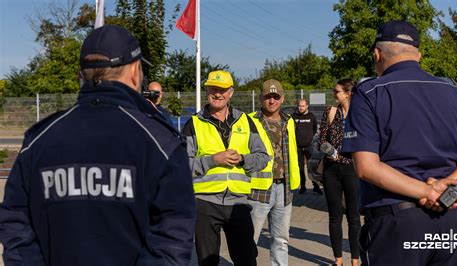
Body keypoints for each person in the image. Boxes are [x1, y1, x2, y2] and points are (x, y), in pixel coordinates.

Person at [0, 25, 196, 265]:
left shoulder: (40, 139)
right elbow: (173, 238)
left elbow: (16, 222)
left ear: (80, 75)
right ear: (135, 71)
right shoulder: (160, 142)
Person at [342, 20, 457, 265]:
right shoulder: (456, 94)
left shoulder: (370, 93)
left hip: (396, 222)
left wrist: (427, 191)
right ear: (418, 54)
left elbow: (366, 167)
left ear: (377, 53)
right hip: (448, 221)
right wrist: (447, 189)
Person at [182, 70, 270, 266]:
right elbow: (181, 165)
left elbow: (263, 158)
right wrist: (212, 160)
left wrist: (242, 160)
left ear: (231, 92)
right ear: (207, 91)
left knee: (247, 260)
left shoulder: (247, 122)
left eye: (222, 90)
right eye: (213, 88)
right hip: (204, 203)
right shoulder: (193, 124)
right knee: (207, 262)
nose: (217, 93)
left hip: (238, 204)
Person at [248, 79, 300, 265]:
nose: (272, 101)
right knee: (249, 240)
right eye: (268, 97)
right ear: (261, 97)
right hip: (258, 189)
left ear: (282, 99)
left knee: (281, 240)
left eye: (275, 97)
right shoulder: (250, 121)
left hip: (284, 189)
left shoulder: (289, 121)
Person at [319, 79, 360, 266]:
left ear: (348, 93)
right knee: (335, 216)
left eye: (336, 91)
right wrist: (328, 149)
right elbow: (321, 139)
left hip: (352, 168)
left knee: (353, 215)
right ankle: (338, 260)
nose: (334, 94)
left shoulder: (360, 114)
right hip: (332, 169)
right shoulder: (330, 112)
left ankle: (355, 259)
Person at [292, 98, 323, 194]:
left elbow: (314, 129)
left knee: (311, 167)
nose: (300, 108)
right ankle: (303, 186)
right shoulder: (293, 116)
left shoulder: (311, 116)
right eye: (299, 106)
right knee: (300, 167)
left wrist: (309, 138)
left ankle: (316, 187)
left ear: (306, 106)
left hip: (309, 146)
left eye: (302, 106)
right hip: (298, 147)